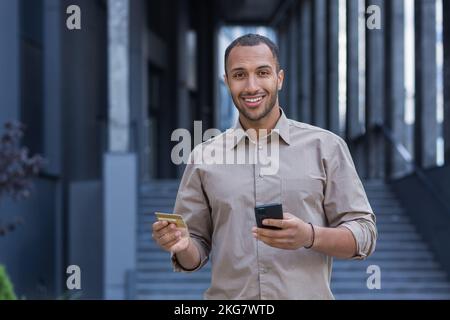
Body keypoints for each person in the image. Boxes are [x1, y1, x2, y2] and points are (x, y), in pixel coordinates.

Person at [152, 34, 377, 299]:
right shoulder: (204, 156)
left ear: (279, 78)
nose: (251, 86)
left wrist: (309, 236)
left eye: (262, 72)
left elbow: (364, 234)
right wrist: (182, 245)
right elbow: (194, 253)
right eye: (239, 75)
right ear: (226, 82)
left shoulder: (326, 147)